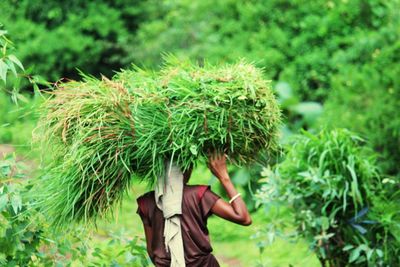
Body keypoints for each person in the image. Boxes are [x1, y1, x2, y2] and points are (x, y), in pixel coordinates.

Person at [136, 154, 252, 267]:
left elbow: (152, 251)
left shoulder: (146, 202)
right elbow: (243, 217)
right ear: (187, 169)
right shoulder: (198, 195)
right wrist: (224, 177)